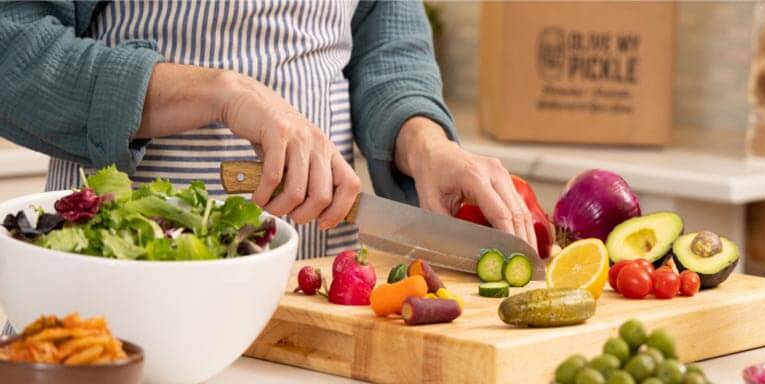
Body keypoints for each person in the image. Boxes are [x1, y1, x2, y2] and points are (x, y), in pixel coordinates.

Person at [0, 0, 538, 261]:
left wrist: (423, 141)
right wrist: (221, 93)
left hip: (313, 284)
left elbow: (386, 36)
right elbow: (11, 47)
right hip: (122, 283)